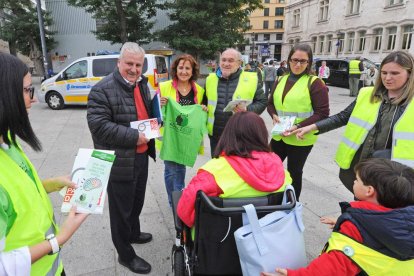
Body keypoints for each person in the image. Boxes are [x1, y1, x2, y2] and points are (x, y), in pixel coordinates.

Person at [0, 53, 88, 275]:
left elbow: (16, 192)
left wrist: (50, 184)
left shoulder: (7, 141)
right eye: (28, 90)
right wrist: (59, 239)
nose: (35, 98)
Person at [261, 158, 414, 276]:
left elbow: (329, 270)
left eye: (357, 179)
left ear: (369, 191)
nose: (354, 181)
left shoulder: (353, 231)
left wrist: (293, 274)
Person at [294, 51, 414, 193]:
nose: (387, 78)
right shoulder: (367, 94)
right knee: (358, 205)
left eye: (394, 73)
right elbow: (343, 117)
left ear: (409, 74)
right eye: (384, 72)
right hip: (360, 166)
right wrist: (312, 127)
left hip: (396, 175)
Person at [87, 42, 155, 274]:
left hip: (141, 157)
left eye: (138, 64)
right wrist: (134, 137)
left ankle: (133, 234)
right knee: (120, 211)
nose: (134, 69)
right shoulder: (101, 89)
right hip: (118, 161)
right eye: (129, 63)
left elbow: (142, 112)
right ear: (119, 62)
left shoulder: (142, 84)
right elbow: (99, 127)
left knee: (136, 202)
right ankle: (125, 255)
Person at [177, 112, 291, 227]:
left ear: (228, 135)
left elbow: (185, 212)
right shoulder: (280, 169)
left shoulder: (214, 171)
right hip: (269, 236)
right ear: (262, 135)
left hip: (221, 239)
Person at [267, 43, 329, 199]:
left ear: (309, 63)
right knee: (269, 166)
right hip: (280, 134)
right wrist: (273, 114)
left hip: (301, 136)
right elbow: (270, 104)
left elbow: (322, 113)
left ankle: (292, 204)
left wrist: (298, 125)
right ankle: (272, 196)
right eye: (294, 60)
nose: (298, 64)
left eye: (303, 61)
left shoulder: (315, 83)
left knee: (294, 172)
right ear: (288, 60)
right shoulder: (280, 79)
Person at [157, 54, 207, 206]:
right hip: (170, 136)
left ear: (193, 71)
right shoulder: (164, 87)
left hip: (186, 137)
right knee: (171, 170)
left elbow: (199, 114)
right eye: (180, 68)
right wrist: (159, 104)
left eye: (187, 68)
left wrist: (203, 108)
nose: (183, 71)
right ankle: (174, 200)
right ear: (175, 70)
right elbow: (154, 112)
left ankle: (179, 195)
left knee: (181, 169)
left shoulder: (199, 90)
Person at [204, 48, 267, 156]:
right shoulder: (210, 79)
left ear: (239, 63)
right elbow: (204, 102)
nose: (226, 63)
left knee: (236, 170)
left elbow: (262, 102)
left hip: (240, 136)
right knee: (217, 167)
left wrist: (247, 109)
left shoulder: (251, 79)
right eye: (223, 60)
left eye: (230, 60)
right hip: (216, 136)